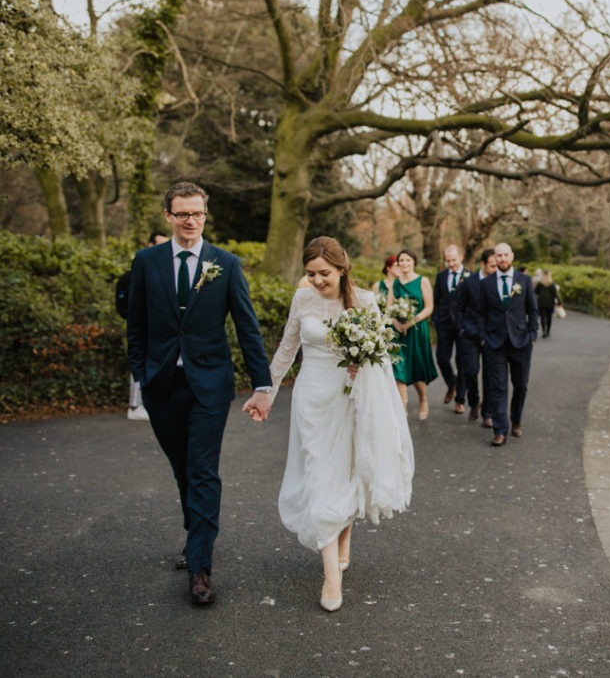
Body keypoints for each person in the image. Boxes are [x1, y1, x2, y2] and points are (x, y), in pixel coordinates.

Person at [244, 237, 413, 613]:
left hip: (350, 397)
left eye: (324, 274)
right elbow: (287, 349)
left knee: (348, 471)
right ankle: (331, 576)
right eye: (311, 273)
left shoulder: (365, 302)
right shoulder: (302, 299)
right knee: (320, 474)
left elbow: (381, 356)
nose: (317, 280)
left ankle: (343, 536)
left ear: (341, 270)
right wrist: (265, 393)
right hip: (311, 398)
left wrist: (362, 364)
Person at [126, 181, 273, 605]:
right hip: (161, 386)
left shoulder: (224, 264)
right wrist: (142, 373)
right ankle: (197, 539)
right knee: (182, 468)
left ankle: (200, 566)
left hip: (209, 386)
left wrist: (261, 385)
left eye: (198, 214)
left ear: (206, 216)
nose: (191, 221)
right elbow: (135, 325)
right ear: (169, 216)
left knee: (203, 470)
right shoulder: (147, 262)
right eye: (183, 214)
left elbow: (246, 327)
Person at [474, 243, 539, 446]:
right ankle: (500, 429)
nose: (502, 259)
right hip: (494, 343)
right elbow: (480, 313)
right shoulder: (486, 283)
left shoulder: (525, 281)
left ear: (512, 256)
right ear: (495, 257)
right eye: (499, 255)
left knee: (520, 385)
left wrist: (532, 334)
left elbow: (533, 310)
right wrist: (483, 337)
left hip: (521, 341)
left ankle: (516, 419)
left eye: (505, 255)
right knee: (498, 387)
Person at [116, 231, 168, 420]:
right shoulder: (135, 272)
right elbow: (126, 304)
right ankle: (135, 405)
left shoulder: (166, 271)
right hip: (141, 328)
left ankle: (151, 403)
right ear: (149, 244)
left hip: (160, 330)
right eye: (159, 243)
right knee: (139, 363)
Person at [390, 250, 438, 419]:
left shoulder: (422, 281)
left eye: (407, 260)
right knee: (398, 368)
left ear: (413, 262)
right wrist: (396, 323)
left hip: (417, 330)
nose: (404, 263)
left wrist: (411, 321)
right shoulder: (395, 283)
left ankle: (423, 398)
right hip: (399, 332)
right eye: (401, 260)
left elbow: (429, 307)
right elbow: (389, 307)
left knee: (416, 369)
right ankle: (402, 407)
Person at [453, 248, 496, 425]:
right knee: (470, 370)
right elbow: (458, 307)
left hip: (492, 335)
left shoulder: (498, 283)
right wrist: (462, 328)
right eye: (492, 266)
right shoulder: (469, 282)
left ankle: (487, 413)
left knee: (490, 375)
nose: (495, 269)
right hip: (469, 334)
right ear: (483, 264)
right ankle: (473, 401)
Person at [433, 245, 470, 413]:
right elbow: (436, 299)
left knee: (462, 363)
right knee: (442, 358)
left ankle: (460, 399)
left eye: (453, 260)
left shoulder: (470, 276)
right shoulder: (441, 277)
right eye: (448, 261)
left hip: (463, 326)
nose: (451, 264)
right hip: (444, 324)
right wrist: (436, 319)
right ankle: (451, 383)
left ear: (460, 257)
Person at [535, 270, 562, 338]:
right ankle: (548, 331)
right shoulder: (552, 284)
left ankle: (544, 330)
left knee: (543, 317)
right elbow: (555, 294)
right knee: (549, 317)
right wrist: (559, 302)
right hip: (550, 303)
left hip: (541, 302)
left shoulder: (540, 284)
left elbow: (535, 292)